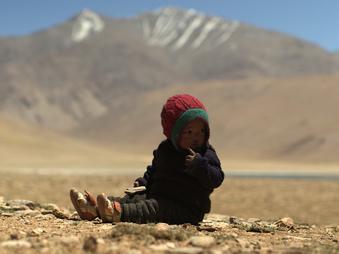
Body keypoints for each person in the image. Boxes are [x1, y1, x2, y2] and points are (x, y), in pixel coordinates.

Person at [70, 94, 224, 225]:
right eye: (189, 132)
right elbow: (155, 169)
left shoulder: (205, 154)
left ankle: (116, 213)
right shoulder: (166, 149)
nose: (196, 137)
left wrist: (201, 167)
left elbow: (217, 178)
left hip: (187, 207)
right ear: (174, 134)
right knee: (133, 199)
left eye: (201, 131)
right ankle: (94, 208)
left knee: (151, 208)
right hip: (158, 194)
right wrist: (144, 182)